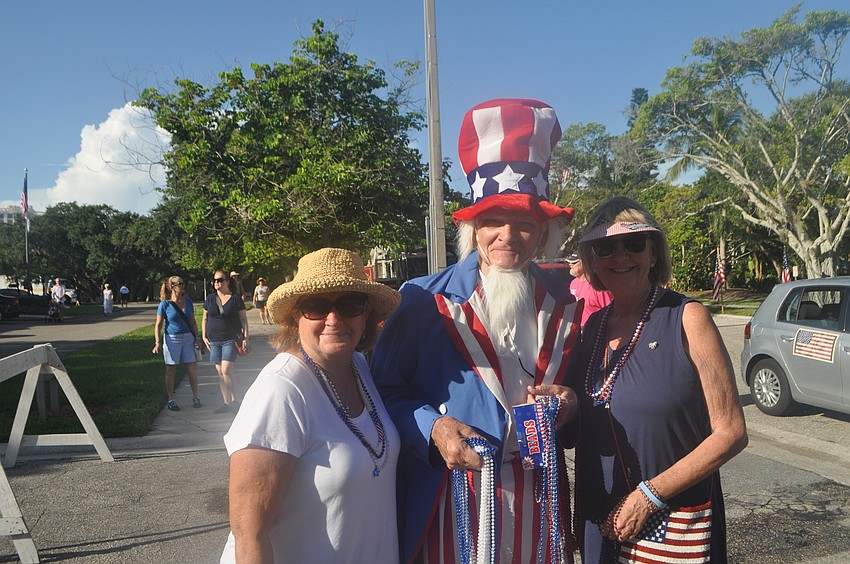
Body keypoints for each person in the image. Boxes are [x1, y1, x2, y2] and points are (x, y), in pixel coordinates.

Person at [372, 98, 583, 562]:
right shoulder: (423, 300)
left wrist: (569, 404)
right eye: (493, 221)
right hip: (453, 499)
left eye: (525, 224)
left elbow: (579, 405)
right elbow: (382, 389)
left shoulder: (566, 304)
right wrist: (434, 428)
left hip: (539, 500)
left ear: (544, 232)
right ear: (474, 227)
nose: (508, 235)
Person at [569, 196, 748, 562]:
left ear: (653, 252)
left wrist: (648, 497)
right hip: (601, 525)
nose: (620, 256)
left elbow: (731, 432)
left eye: (634, 243)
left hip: (672, 523)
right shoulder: (590, 328)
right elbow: (580, 434)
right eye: (606, 247)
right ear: (593, 260)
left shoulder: (687, 318)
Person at [219, 247, 402, 563]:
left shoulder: (358, 367)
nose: (334, 319)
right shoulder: (281, 390)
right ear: (295, 314)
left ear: (367, 313)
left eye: (350, 304)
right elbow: (248, 534)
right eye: (316, 306)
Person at [152, 275, 202, 411]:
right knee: (171, 368)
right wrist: (157, 342)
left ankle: (196, 396)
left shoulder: (188, 301)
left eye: (182, 283)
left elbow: (192, 322)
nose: (182, 285)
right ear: (171, 287)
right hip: (171, 338)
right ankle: (171, 399)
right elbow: (158, 325)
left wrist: (197, 338)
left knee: (191, 367)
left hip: (188, 338)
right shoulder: (165, 304)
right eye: (178, 283)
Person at [203, 270, 249, 413]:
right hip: (214, 339)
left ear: (227, 282)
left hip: (230, 338)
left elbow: (243, 319)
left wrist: (246, 337)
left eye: (220, 280)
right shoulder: (210, 298)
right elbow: (204, 318)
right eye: (215, 280)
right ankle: (226, 402)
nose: (217, 282)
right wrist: (204, 336)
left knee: (226, 370)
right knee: (220, 372)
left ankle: (235, 401)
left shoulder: (235, 298)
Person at [566, 252, 612, 325]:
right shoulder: (573, 284)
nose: (570, 265)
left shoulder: (597, 285)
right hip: (577, 329)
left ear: (585, 263)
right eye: (569, 262)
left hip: (595, 328)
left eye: (574, 262)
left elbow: (609, 311)